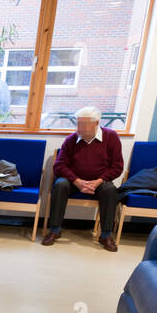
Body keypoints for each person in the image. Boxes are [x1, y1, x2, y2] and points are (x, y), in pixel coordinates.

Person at [42, 106, 123, 252]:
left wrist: (99, 181)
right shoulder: (71, 140)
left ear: (96, 123)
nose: (80, 128)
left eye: (84, 124)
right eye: (78, 124)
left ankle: (105, 235)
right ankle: (55, 230)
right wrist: (77, 181)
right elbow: (59, 166)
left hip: (99, 181)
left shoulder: (111, 137)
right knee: (60, 184)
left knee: (110, 190)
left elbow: (117, 167)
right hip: (74, 181)